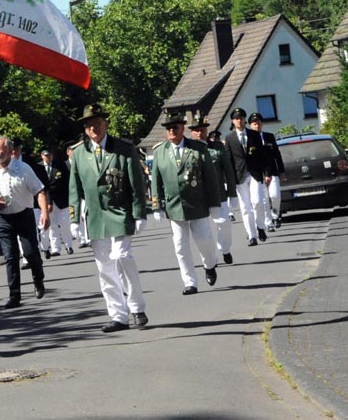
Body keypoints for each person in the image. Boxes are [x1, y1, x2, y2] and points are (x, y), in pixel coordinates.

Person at [68, 105, 149, 332]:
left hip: (120, 213)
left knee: (122, 256)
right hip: (95, 216)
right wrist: (74, 218)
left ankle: (136, 307)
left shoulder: (123, 149)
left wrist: (139, 212)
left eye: (96, 122)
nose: (92, 127)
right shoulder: (79, 153)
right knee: (105, 268)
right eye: (87, 124)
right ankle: (118, 315)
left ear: (106, 123)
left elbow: (136, 183)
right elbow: (74, 187)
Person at [149, 112, 224, 295]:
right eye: (168, 129)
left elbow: (210, 178)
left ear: (183, 128)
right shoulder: (160, 151)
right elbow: (155, 181)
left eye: (175, 127)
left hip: (197, 202)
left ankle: (209, 264)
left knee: (204, 240)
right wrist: (157, 206)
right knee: (180, 246)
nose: (172, 131)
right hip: (174, 206)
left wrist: (215, 204)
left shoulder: (197, 148)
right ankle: (190, 282)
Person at [0, 137, 49, 308]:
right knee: (10, 257)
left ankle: (38, 279)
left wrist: (45, 213)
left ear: (11, 151)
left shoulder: (23, 168)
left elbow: (39, 191)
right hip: (1, 218)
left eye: (0, 149)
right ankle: (14, 295)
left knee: (30, 252)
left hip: (23, 215)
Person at [223, 107, 271, 246]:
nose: (239, 120)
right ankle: (252, 235)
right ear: (233, 121)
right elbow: (228, 160)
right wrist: (229, 179)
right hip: (239, 176)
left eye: (242, 118)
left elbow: (263, 155)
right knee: (245, 207)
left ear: (245, 120)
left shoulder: (254, 135)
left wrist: (267, 172)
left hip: (255, 173)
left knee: (257, 202)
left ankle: (260, 227)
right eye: (237, 118)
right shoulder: (229, 138)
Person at [193, 121, 236, 264]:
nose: (200, 133)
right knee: (203, 234)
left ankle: (225, 249)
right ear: (192, 132)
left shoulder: (217, 148)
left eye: (203, 130)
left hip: (218, 193)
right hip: (199, 196)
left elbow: (228, 170)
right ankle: (210, 259)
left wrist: (232, 192)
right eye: (197, 130)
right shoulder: (188, 149)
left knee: (224, 223)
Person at [249, 113, 286, 231]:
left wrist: (281, 171)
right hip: (259, 174)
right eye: (254, 124)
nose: (257, 126)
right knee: (263, 200)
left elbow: (277, 155)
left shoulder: (269, 136)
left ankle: (276, 216)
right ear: (250, 125)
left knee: (275, 196)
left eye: (259, 123)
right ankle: (268, 223)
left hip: (272, 171)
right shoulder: (249, 139)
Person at [40, 149, 75, 257]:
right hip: (46, 200)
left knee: (65, 224)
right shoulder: (39, 167)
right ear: (42, 156)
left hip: (61, 199)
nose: (48, 157)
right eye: (46, 155)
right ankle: (55, 248)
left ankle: (69, 245)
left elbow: (67, 181)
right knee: (52, 226)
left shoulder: (60, 165)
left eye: (50, 155)